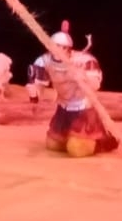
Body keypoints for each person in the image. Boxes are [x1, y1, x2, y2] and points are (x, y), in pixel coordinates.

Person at [27, 22, 114, 157]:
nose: (59, 50)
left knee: (77, 149)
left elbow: (95, 84)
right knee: (53, 145)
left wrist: (83, 77)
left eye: (63, 47)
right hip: (64, 105)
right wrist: (35, 92)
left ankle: (99, 142)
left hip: (83, 107)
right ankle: (70, 136)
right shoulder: (44, 61)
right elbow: (40, 85)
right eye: (56, 46)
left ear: (68, 48)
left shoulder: (84, 60)